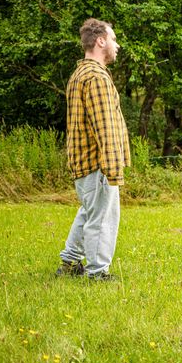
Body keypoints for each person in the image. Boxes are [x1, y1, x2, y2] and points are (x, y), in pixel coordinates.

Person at [56, 18, 130, 280]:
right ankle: (98, 273)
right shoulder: (96, 77)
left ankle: (69, 263)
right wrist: (113, 170)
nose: (116, 45)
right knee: (103, 218)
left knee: (89, 211)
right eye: (113, 39)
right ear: (100, 41)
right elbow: (105, 127)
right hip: (98, 163)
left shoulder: (79, 74)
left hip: (83, 162)